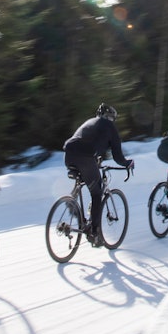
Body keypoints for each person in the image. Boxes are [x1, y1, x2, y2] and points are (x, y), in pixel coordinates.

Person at [63, 103, 135, 247]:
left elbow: (88, 142)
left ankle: (72, 202)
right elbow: (118, 156)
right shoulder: (110, 127)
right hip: (85, 158)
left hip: (69, 155)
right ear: (112, 118)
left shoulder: (90, 122)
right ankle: (95, 234)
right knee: (96, 193)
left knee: (84, 179)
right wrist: (127, 164)